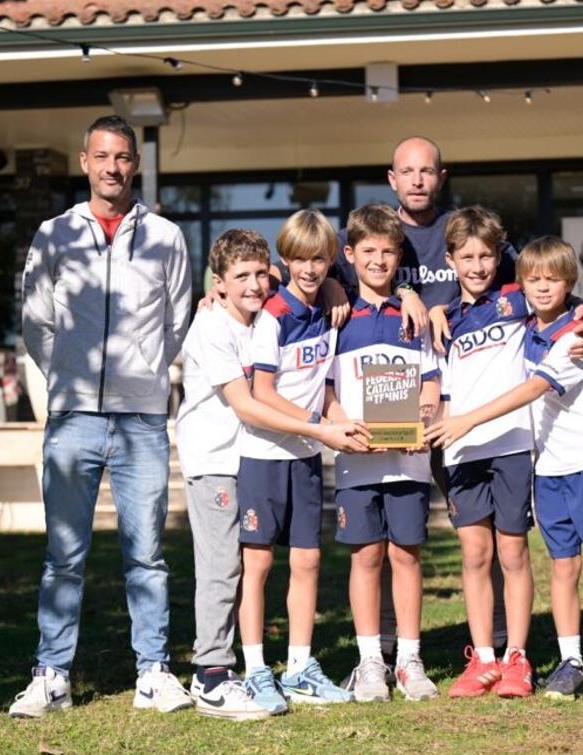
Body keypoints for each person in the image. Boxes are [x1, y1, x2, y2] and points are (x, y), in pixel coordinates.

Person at [334, 136, 583, 658]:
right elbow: (321, 272)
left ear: (442, 175)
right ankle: (388, 650)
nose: (417, 180)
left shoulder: (466, 231)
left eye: (427, 170)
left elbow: (539, 279)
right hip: (396, 405)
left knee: (491, 538)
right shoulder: (380, 235)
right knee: (396, 531)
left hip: (471, 409)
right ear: (392, 178)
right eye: (407, 171)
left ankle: (503, 648)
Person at [10, 115, 193, 718]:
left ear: (134, 164)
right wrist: (67, 374)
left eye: (123, 157)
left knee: (147, 554)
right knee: (64, 555)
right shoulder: (54, 235)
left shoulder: (166, 237)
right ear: (85, 162)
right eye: (102, 156)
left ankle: (153, 673)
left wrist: (142, 372)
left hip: (141, 418)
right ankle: (52, 675)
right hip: (73, 418)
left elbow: (175, 322)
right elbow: (36, 321)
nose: (113, 167)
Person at [428, 236, 583, 705]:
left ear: (570, 284)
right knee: (563, 568)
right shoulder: (522, 321)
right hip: (547, 469)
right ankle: (571, 661)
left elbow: (532, 389)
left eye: (554, 280)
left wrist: (467, 419)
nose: (543, 287)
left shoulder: (575, 333)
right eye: (534, 279)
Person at [176, 228, 370, 720]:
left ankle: (295, 670)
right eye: (240, 276)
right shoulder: (211, 326)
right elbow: (247, 405)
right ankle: (213, 673)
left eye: (261, 274)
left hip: (267, 456)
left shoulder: (264, 312)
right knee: (228, 568)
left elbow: (303, 270)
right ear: (217, 283)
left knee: (286, 564)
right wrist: (322, 428)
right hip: (218, 460)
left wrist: (332, 287)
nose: (255, 283)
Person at [237, 209, 357, 712]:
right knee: (259, 564)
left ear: (331, 261)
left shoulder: (328, 312)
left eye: (320, 260)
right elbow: (262, 392)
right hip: (264, 455)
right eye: (300, 260)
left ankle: (301, 667)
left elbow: (323, 390)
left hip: (307, 456)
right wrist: (318, 426)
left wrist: (342, 421)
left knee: (307, 561)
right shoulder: (273, 317)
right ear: (284, 262)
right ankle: (256, 671)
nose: (310, 269)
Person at [324, 204, 441, 702]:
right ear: (349, 254)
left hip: (408, 461)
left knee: (406, 555)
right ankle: (371, 659)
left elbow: (432, 384)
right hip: (356, 461)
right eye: (367, 251)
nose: (378, 260)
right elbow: (324, 389)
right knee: (366, 557)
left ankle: (410, 659)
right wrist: (337, 423)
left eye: (388, 251)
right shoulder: (338, 316)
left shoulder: (412, 317)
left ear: (400, 257)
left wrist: (424, 420)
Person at [423, 207, 537, 699]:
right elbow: (438, 390)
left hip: (512, 443)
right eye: (466, 257)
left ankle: (518, 658)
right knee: (475, 553)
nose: (477, 265)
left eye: (486, 256)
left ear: (499, 256)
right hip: (460, 447)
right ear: (450, 260)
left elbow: (565, 300)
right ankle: (483, 660)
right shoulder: (442, 319)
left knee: (511, 551)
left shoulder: (519, 298)